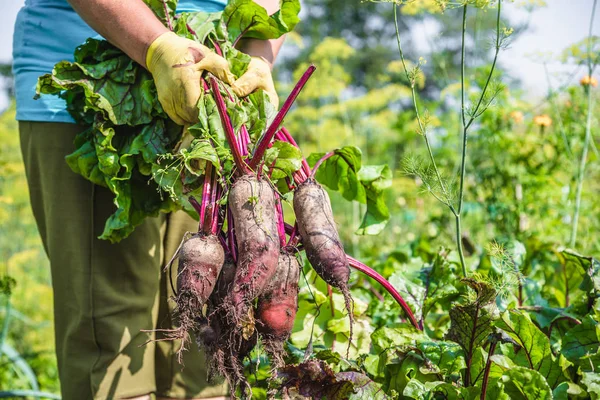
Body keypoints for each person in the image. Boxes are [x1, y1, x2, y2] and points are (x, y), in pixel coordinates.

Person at [12, 0, 284, 398]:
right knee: (112, 341)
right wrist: (155, 46)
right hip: (97, 87)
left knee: (206, 344)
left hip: (215, 91)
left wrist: (257, 55)